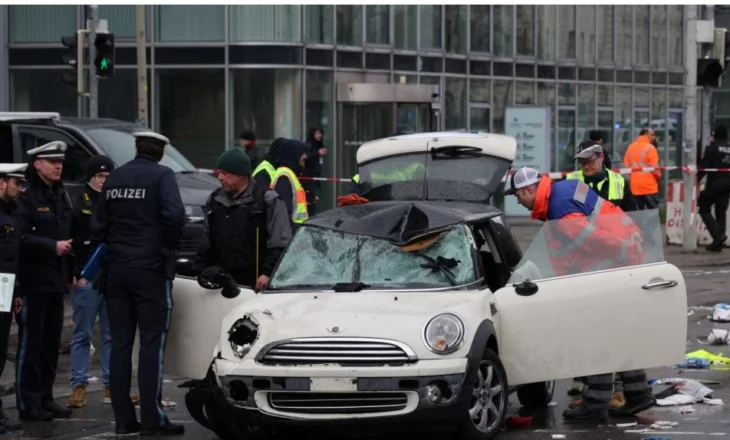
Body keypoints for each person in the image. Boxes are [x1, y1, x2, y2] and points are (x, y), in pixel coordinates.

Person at [505, 167, 655, 421]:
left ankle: (595, 404)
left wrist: (625, 250)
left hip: (609, 266)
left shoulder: (559, 206)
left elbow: (591, 237)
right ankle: (638, 393)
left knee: (595, 338)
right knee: (615, 334)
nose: (517, 200)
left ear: (529, 189)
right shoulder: (563, 190)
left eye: (518, 195)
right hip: (616, 260)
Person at [90, 132, 186, 436]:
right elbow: (175, 216)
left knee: (119, 345)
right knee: (151, 345)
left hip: (116, 271)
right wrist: (165, 248)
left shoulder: (115, 177)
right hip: (150, 271)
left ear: (135, 148)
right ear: (161, 153)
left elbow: (98, 225)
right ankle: (152, 420)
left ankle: (123, 420)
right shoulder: (162, 176)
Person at [66, 156, 141, 409]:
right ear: (90, 178)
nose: (103, 181)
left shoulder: (116, 202)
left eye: (107, 176)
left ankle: (113, 387)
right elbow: (72, 241)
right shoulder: (79, 204)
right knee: (82, 334)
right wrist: (74, 273)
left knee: (112, 335)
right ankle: (78, 386)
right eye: (99, 176)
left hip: (112, 277)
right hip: (87, 276)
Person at [13, 142, 74, 422]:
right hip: (33, 281)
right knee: (31, 345)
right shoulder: (26, 195)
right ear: (37, 164)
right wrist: (51, 247)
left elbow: (67, 231)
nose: (58, 166)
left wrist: (70, 271)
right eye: (52, 161)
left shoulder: (59, 193)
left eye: (60, 161)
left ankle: (46, 398)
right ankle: (29, 402)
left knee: (50, 344)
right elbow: (19, 237)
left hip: (55, 281)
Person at [194, 148, 292, 291]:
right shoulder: (215, 200)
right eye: (219, 172)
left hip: (254, 286)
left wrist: (268, 273)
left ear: (242, 175)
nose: (220, 177)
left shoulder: (268, 201)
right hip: (220, 286)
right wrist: (200, 271)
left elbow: (280, 242)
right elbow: (205, 242)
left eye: (225, 173)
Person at [0, 164, 27, 433]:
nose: (20, 189)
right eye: (15, 183)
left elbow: (10, 259)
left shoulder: (10, 213)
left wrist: (15, 292)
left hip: (4, 288)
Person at [567, 141, 636, 212]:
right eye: (582, 163)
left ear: (601, 157)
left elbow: (632, 214)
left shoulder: (619, 181)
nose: (586, 166)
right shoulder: (570, 181)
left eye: (590, 162)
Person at [698, 125, 730, 251]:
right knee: (721, 212)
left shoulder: (712, 148)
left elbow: (704, 166)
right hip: (728, 185)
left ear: (715, 135)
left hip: (714, 184)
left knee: (704, 208)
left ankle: (718, 236)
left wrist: (697, 178)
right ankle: (719, 242)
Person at [269, 139, 310, 231]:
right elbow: (284, 215)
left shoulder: (288, 174)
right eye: (302, 154)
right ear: (294, 156)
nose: (305, 156)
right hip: (292, 234)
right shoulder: (284, 177)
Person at [623, 127, 661, 210]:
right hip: (649, 186)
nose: (654, 137)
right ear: (645, 134)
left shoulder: (631, 147)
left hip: (635, 186)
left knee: (639, 213)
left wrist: (634, 176)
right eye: (652, 135)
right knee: (653, 212)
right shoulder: (650, 148)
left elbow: (627, 166)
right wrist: (658, 177)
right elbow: (655, 169)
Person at [302, 127, 328, 216]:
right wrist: (318, 152)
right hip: (308, 178)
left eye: (320, 133)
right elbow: (306, 157)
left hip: (316, 178)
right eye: (317, 133)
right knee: (311, 202)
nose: (319, 135)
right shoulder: (308, 145)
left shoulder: (319, 144)